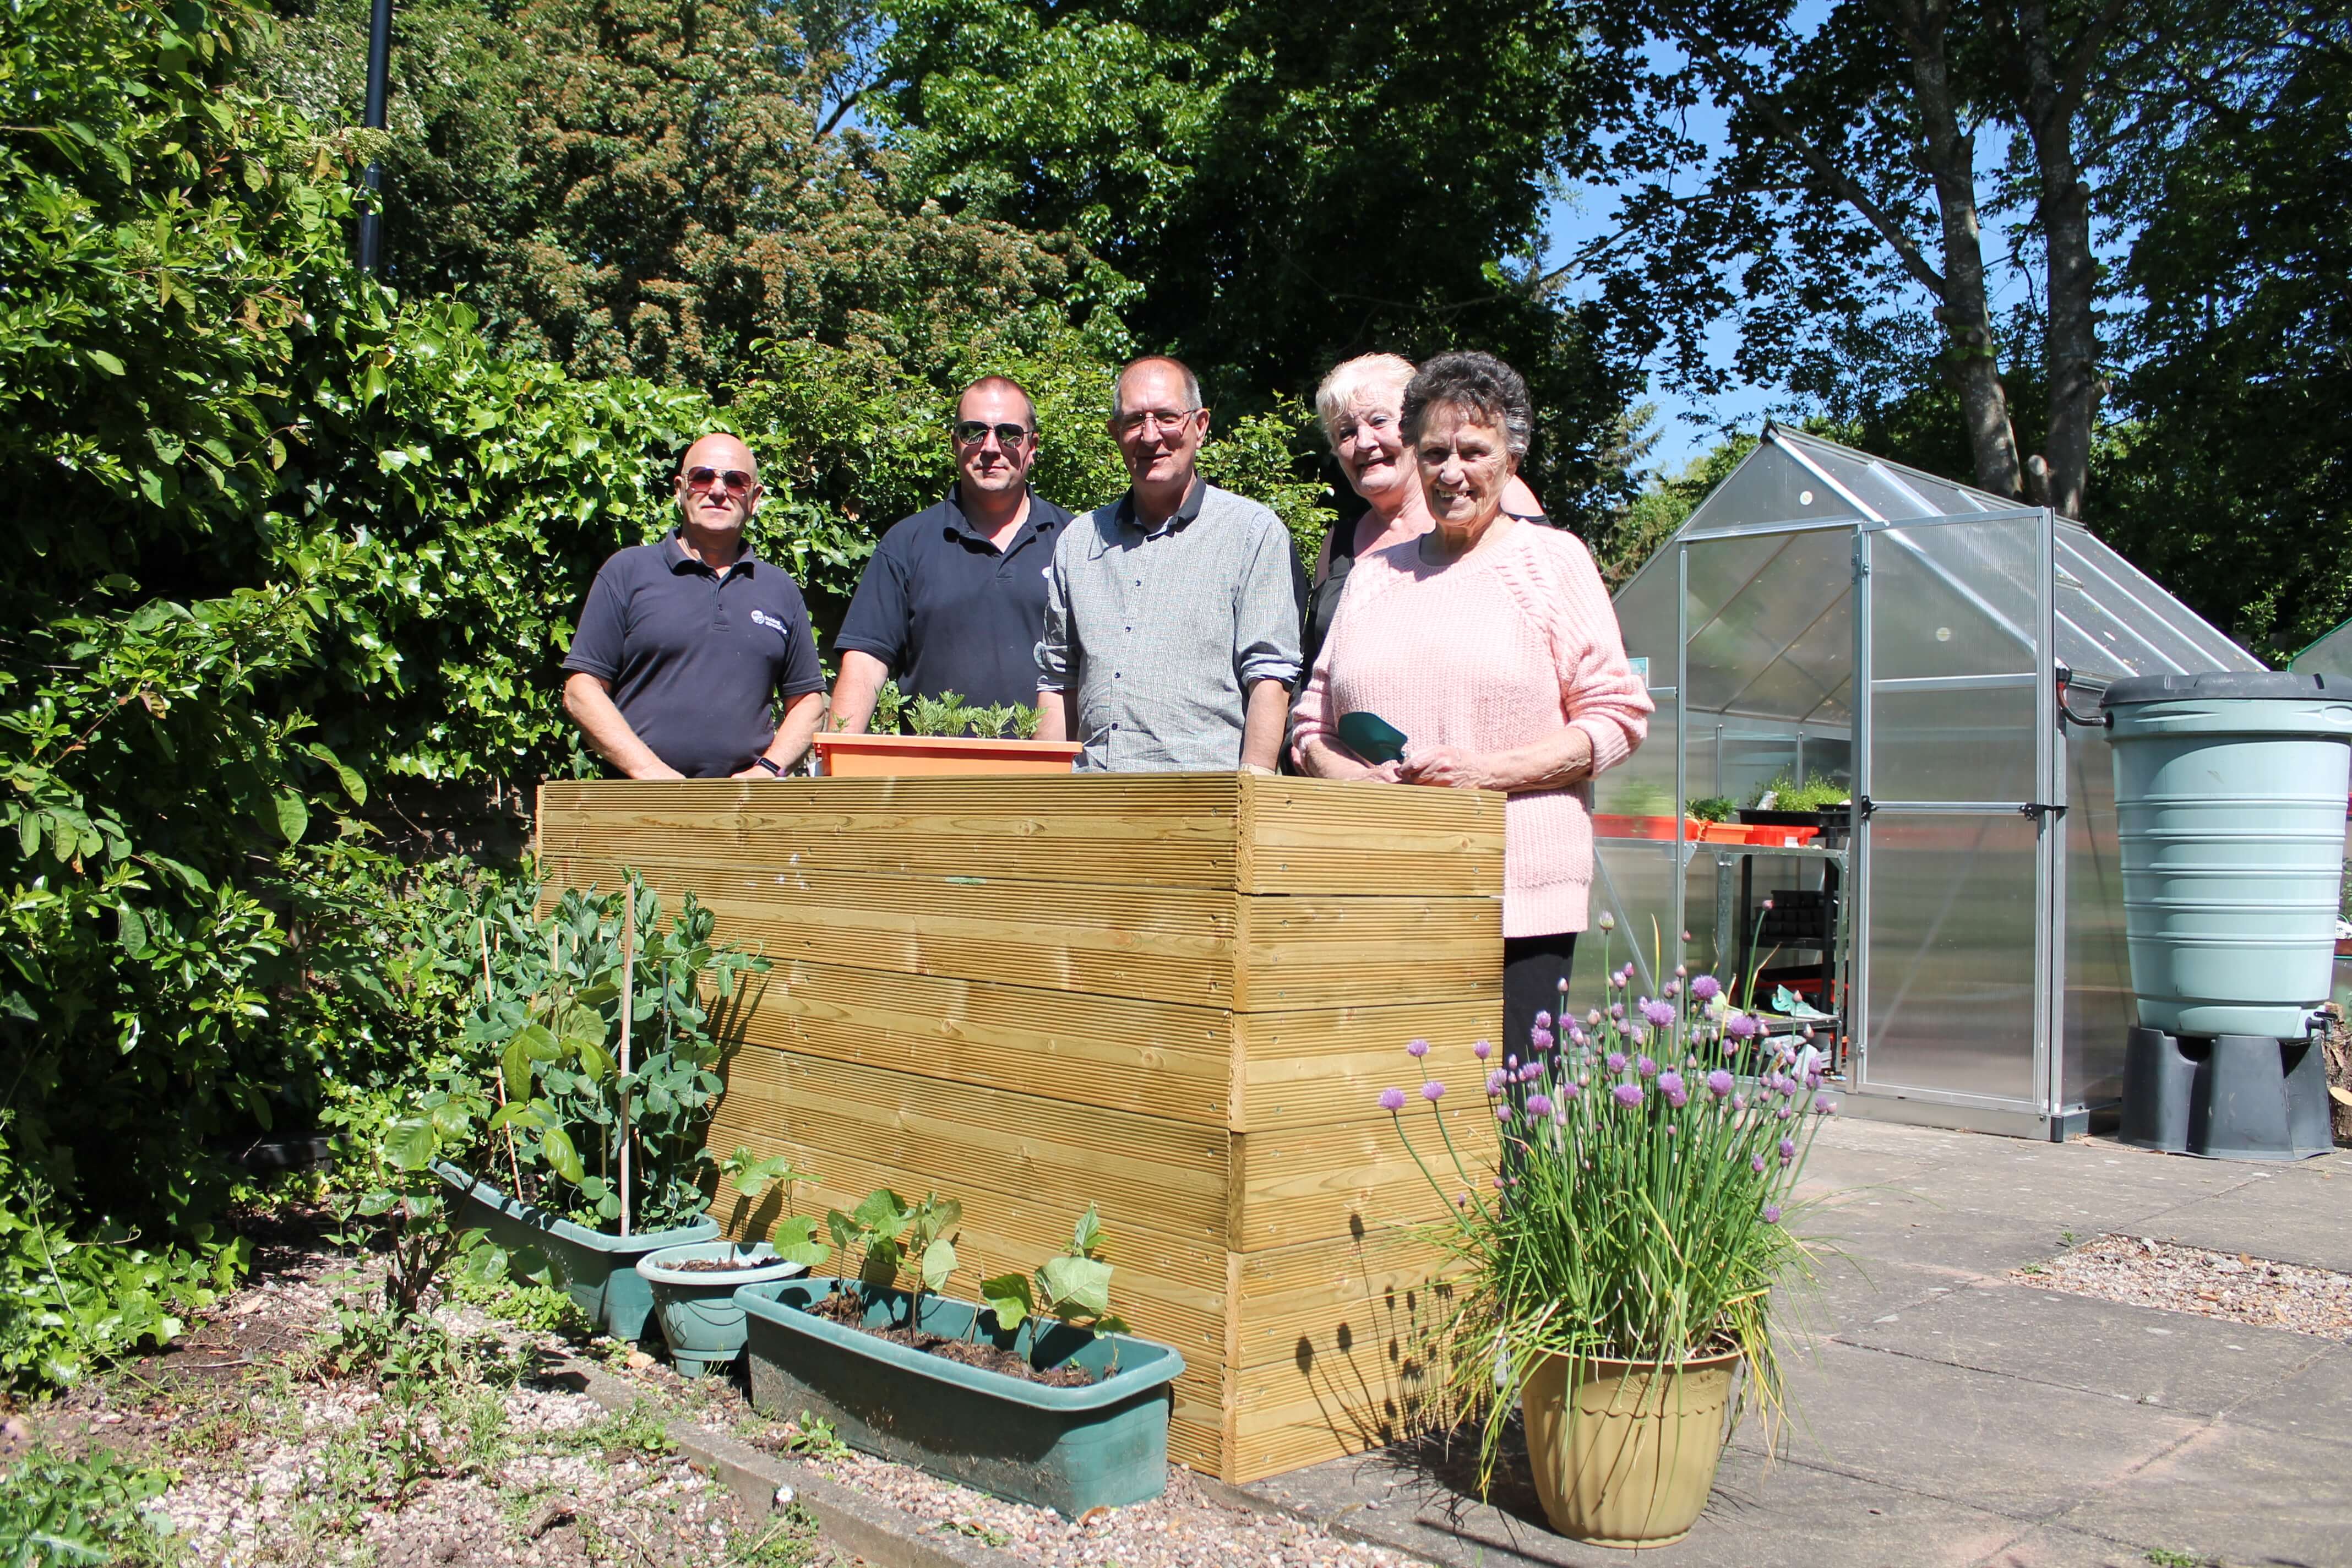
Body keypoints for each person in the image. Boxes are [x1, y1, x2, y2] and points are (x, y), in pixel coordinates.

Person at [1291, 351, 1651, 1057]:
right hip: (1385, 887)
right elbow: (1312, 726)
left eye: (1473, 451)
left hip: (1517, 888)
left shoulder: (1551, 563)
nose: (1451, 471)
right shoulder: (1370, 576)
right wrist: (1355, 782)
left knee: (1507, 1109)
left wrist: (1487, 772)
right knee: (1386, 1096)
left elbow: (1616, 715)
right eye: (1433, 452)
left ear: (1511, 458)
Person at [1036, 356, 1305, 772]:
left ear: (1199, 426)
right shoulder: (1078, 542)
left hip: (1203, 806)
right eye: (1133, 421)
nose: (1150, 435)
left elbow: (1269, 676)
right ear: (1115, 433)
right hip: (1092, 803)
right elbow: (1058, 681)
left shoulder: (1252, 533)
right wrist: (1044, 800)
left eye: (1166, 417)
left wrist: (1252, 797)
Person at [562, 432, 827, 778]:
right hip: (642, 804)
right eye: (703, 477)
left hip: (742, 812)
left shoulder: (779, 589)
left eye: (735, 481)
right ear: (679, 489)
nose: (718, 491)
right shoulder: (627, 572)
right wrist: (651, 772)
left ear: (755, 498)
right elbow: (581, 689)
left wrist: (765, 772)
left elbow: (809, 702)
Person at [829, 376, 1074, 731]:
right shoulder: (907, 542)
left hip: (1045, 777)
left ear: (1032, 446)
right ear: (955, 442)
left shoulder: (1075, 543)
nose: (990, 447)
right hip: (932, 775)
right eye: (974, 432)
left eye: (1009, 434)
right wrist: (838, 759)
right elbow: (866, 662)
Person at [1304, 353, 1548, 676]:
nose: (1364, 442)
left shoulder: (1497, 494)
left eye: (1379, 421)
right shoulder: (1338, 545)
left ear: (1418, 429)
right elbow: (1313, 670)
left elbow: (1556, 613)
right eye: (1346, 433)